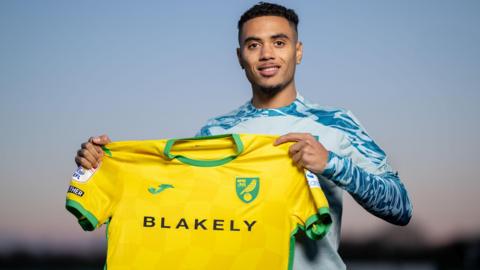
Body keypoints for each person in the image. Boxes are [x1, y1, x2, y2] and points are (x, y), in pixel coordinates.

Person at [74, 2, 412, 269]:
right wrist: (102, 167)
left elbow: (401, 208)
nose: (267, 54)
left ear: (298, 51)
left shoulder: (338, 123)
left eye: (279, 42)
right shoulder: (214, 133)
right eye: (254, 45)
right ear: (240, 57)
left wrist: (332, 164)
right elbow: (185, 216)